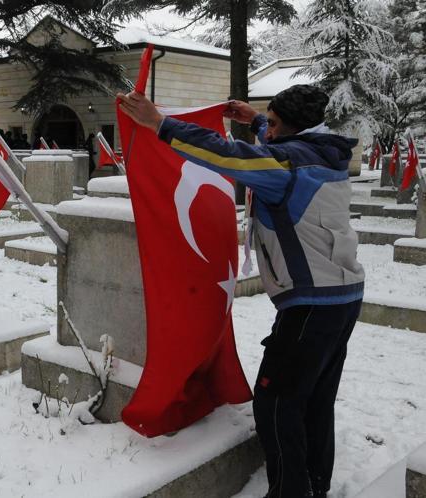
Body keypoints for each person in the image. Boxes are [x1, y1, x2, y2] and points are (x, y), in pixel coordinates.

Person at [117, 84, 364, 498]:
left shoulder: (285, 167)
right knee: (315, 398)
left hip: (312, 304)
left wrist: (159, 124)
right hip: (341, 297)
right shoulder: (324, 152)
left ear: (293, 129)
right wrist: (258, 121)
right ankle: (315, 484)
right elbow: (283, 144)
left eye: (276, 125)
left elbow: (225, 155)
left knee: (276, 400)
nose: (269, 133)